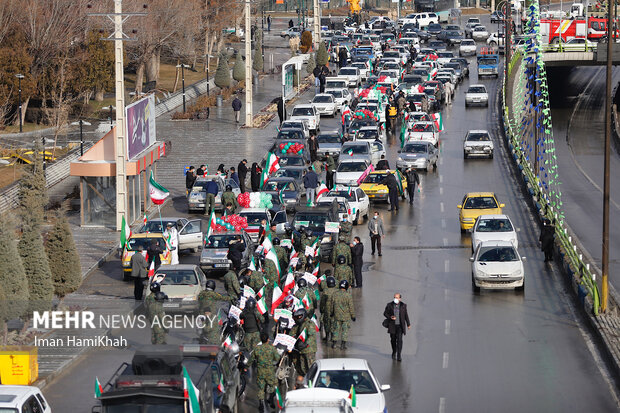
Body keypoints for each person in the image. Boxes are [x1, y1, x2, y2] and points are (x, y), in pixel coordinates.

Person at [249, 332, 280, 413]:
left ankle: (261, 403)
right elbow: (277, 358)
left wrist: (246, 367)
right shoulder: (272, 348)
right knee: (273, 384)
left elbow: (251, 359)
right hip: (270, 371)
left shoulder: (257, 349)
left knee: (261, 388)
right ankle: (271, 397)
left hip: (260, 371)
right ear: (268, 340)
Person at [328, 280, 356, 349]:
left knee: (336, 329)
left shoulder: (334, 294)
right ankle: (343, 345)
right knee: (345, 331)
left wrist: (331, 313)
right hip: (346, 317)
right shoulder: (348, 295)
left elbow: (332, 305)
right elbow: (351, 307)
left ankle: (334, 344)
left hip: (337, 315)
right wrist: (353, 316)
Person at [383, 293, 411, 361]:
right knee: (393, 340)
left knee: (399, 340)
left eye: (397, 297)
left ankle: (399, 355)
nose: (395, 298)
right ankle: (394, 351)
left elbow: (406, 315)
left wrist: (408, 324)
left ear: (400, 299)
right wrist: (390, 317)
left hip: (400, 326)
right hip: (392, 326)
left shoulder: (403, 305)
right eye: (394, 297)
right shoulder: (389, 305)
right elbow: (385, 313)